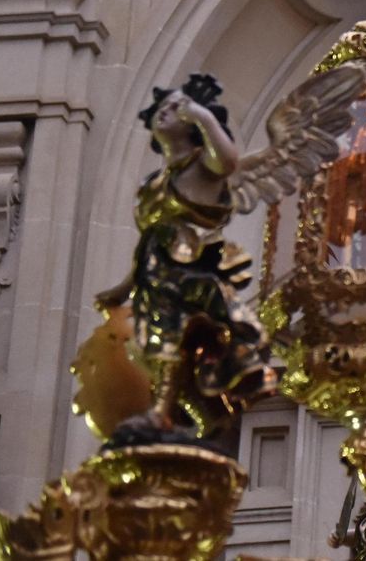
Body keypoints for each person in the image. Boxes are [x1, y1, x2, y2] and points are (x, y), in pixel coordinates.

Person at [93, 73, 274, 441]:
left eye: (178, 107)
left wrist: (202, 116)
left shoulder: (205, 168)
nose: (168, 112)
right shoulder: (154, 185)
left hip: (188, 275)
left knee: (171, 343)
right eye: (164, 106)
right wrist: (122, 288)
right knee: (146, 349)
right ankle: (205, 416)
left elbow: (228, 161)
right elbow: (148, 246)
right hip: (155, 278)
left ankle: (162, 414)